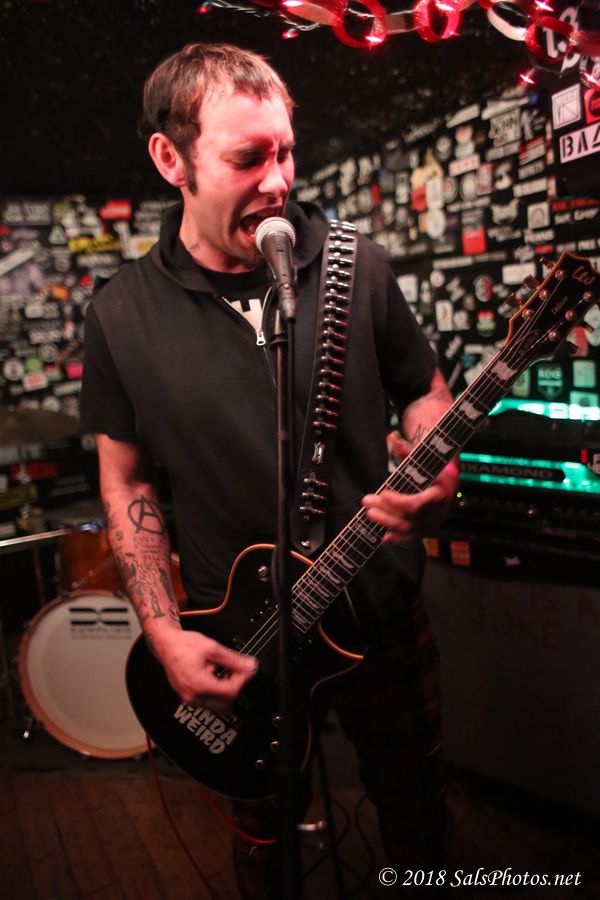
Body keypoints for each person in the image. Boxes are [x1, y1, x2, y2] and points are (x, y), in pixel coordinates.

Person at [80, 42, 459, 897]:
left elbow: (424, 392)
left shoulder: (359, 263)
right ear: (170, 158)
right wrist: (163, 633)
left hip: (376, 611)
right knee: (262, 850)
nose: (279, 181)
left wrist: (438, 473)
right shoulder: (120, 316)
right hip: (236, 640)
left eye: (286, 152)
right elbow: (127, 481)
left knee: (420, 825)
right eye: (247, 158)